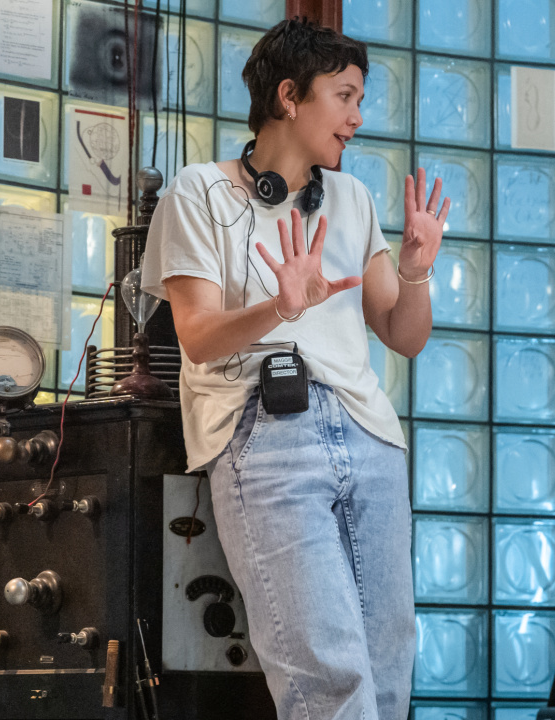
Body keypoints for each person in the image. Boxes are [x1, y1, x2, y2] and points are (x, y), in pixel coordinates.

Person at [140, 18, 449, 720]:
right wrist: (278, 308)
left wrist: (415, 270)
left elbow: (405, 335)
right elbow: (198, 338)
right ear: (288, 96)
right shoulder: (198, 194)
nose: (357, 117)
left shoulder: (351, 200)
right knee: (328, 676)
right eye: (343, 96)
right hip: (266, 435)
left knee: (389, 669)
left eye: (359, 98)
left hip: (369, 436)